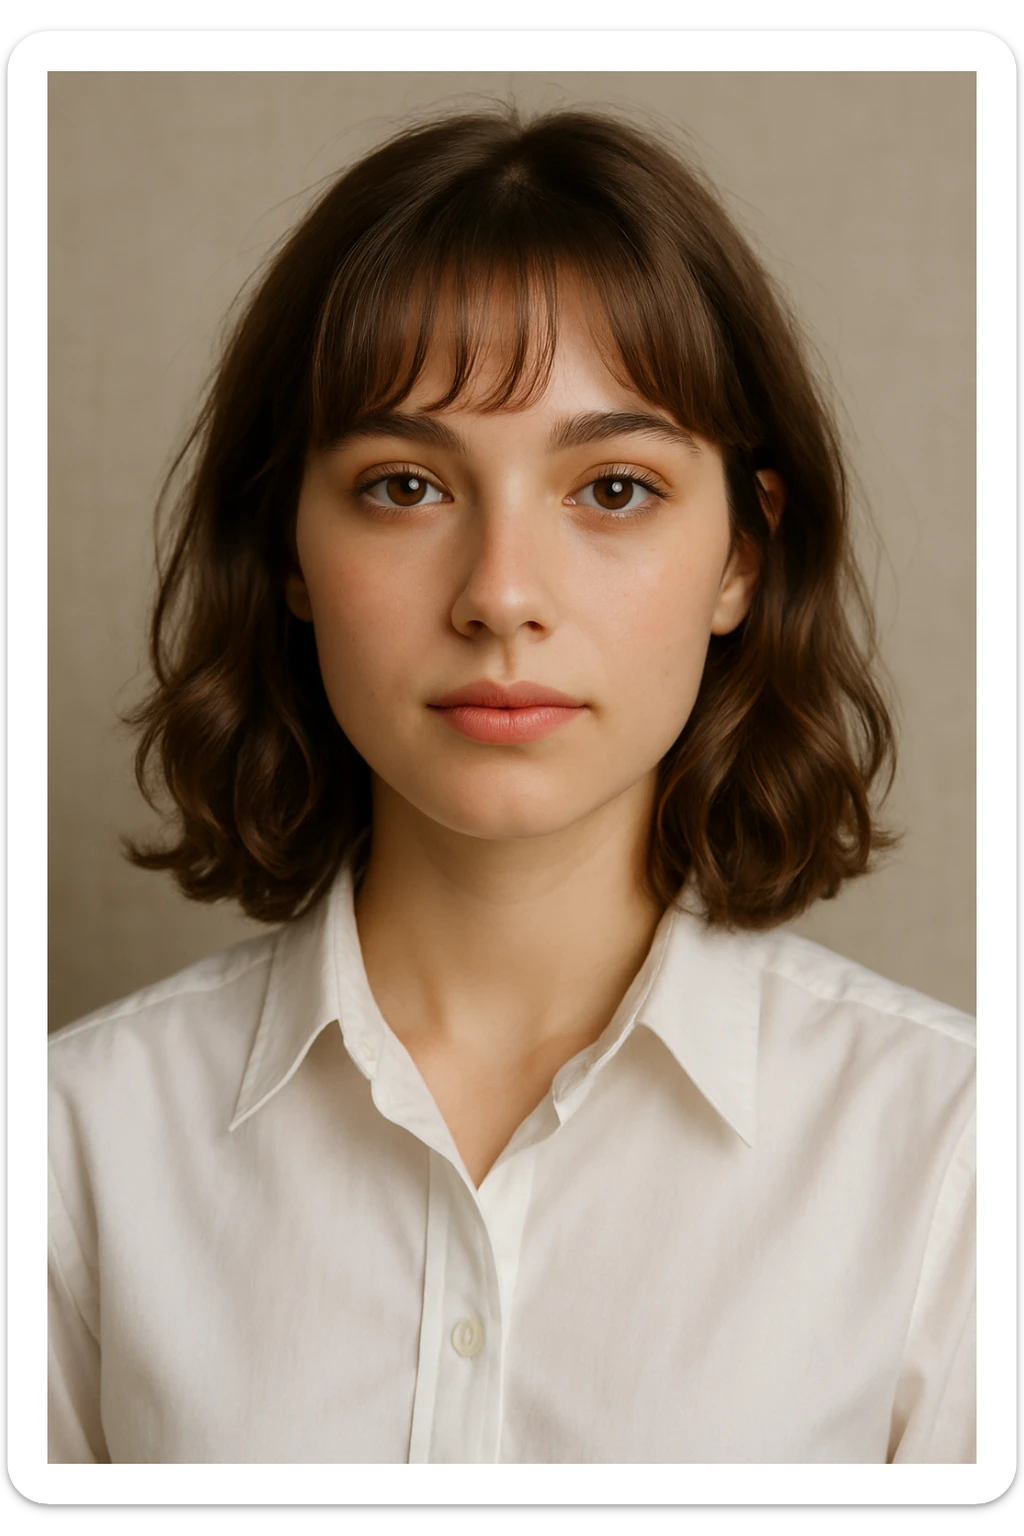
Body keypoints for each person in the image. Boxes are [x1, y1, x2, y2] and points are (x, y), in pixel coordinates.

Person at [47, 105, 975, 1465]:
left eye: (610, 489)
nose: (500, 597)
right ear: (288, 548)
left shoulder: (953, 1159)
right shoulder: (73, 1150)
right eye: (407, 484)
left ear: (741, 557)